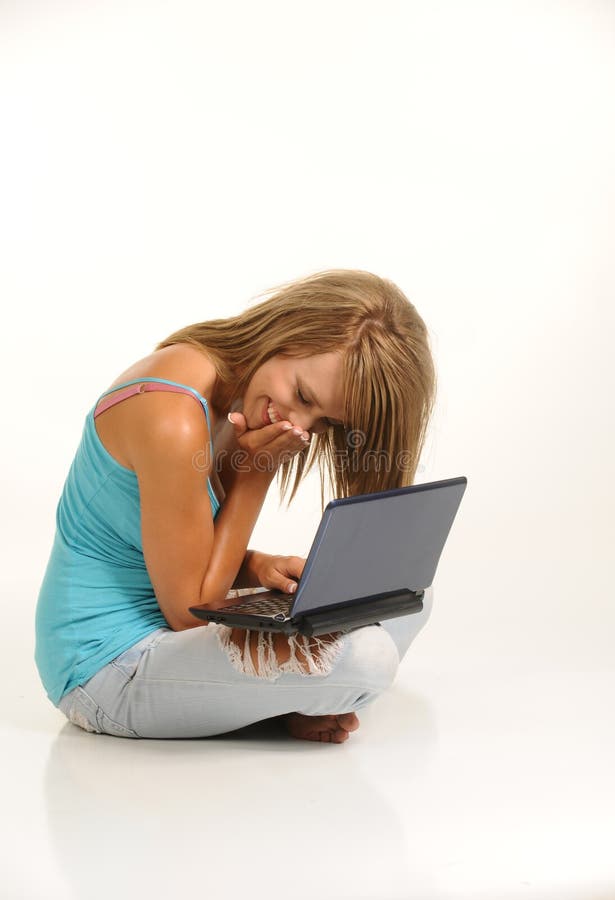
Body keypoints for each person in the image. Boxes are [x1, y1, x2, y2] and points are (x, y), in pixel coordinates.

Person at [35, 268, 437, 743]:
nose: (299, 427)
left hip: (173, 628)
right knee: (368, 658)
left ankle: (294, 698)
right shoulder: (173, 419)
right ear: (289, 329)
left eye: (324, 420)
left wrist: (260, 567)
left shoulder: (229, 389)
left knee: (406, 595)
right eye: (304, 395)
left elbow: (176, 552)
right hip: (105, 670)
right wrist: (256, 475)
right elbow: (188, 613)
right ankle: (306, 698)